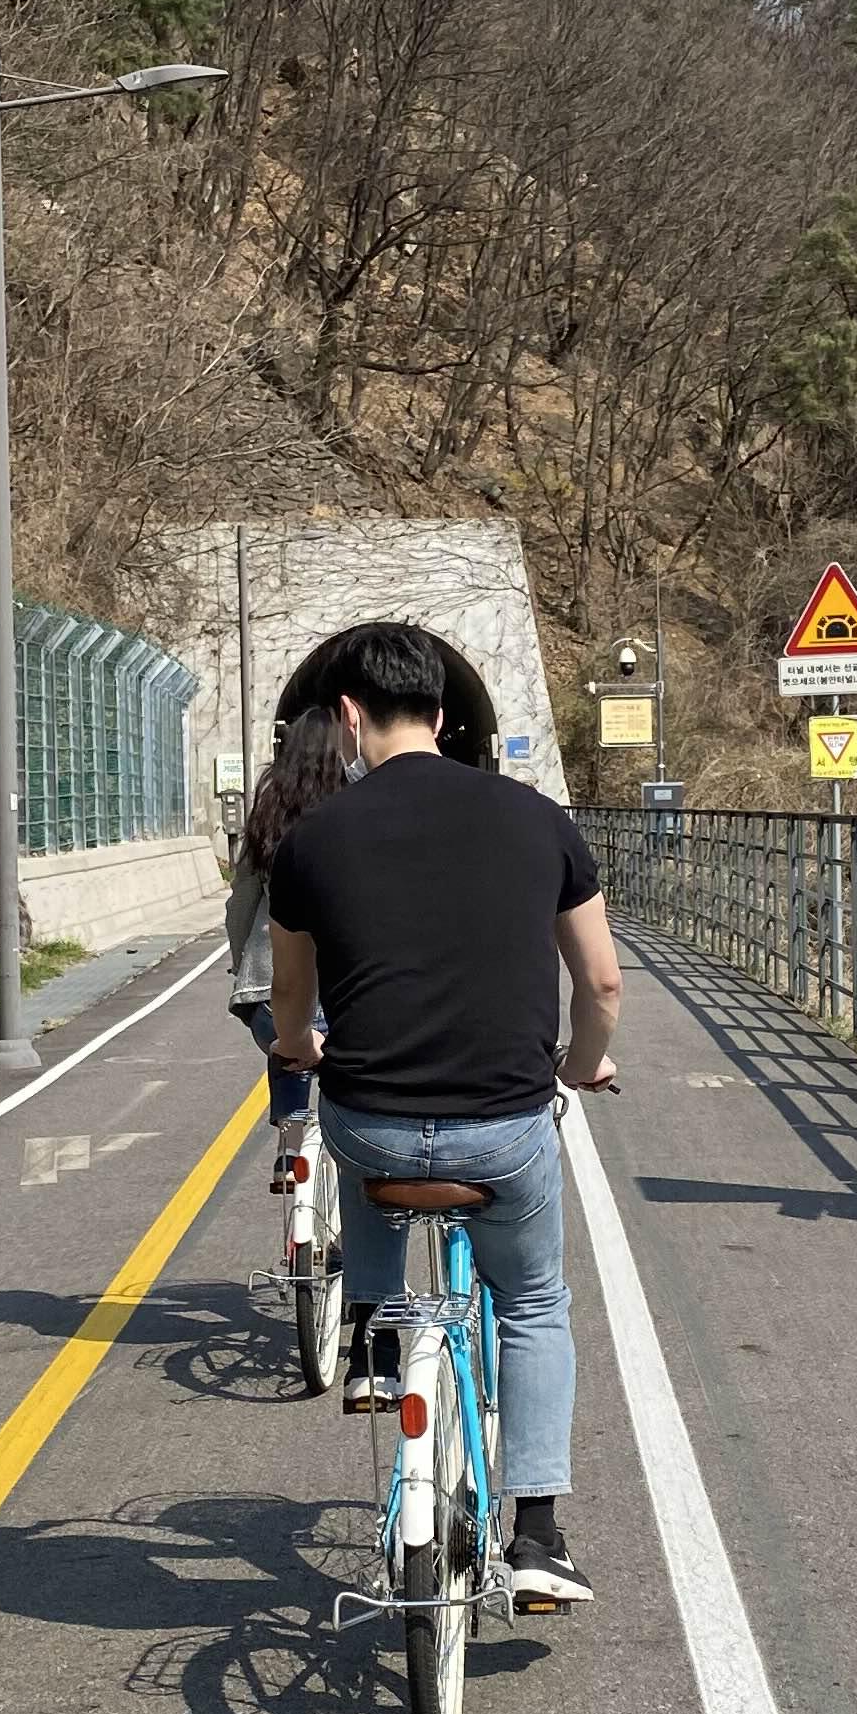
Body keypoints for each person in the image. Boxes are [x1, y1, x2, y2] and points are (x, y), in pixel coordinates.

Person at [265, 618, 621, 1611]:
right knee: (534, 1303)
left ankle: (376, 1338)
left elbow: (291, 998)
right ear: (444, 712)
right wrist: (580, 1065)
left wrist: (298, 1048)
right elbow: (601, 983)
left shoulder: (311, 840)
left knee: (358, 1128)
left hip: (373, 1123)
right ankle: (538, 1533)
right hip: (503, 1126)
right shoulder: (536, 818)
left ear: (348, 716)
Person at [224, 703, 349, 1144]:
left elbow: (241, 906)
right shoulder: (357, 808)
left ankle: (290, 1149)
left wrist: (242, 965)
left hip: (267, 998)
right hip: (345, 1000)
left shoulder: (269, 813)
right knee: (351, 1092)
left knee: (286, 1046)